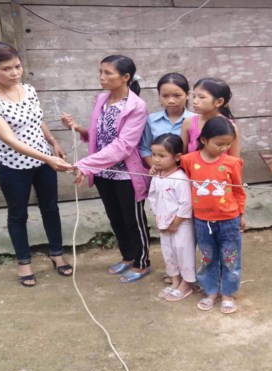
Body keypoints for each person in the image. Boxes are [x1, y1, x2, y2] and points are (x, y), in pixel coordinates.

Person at [0, 41, 73, 287]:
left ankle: (57, 253)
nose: (15, 73)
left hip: (42, 159)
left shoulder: (28, 90)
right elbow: (9, 139)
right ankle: (24, 261)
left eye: (17, 66)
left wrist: (52, 142)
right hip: (12, 166)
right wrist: (48, 158)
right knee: (18, 214)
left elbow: (37, 120)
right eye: (6, 69)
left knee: (50, 207)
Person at [61, 55, 152, 283]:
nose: (102, 77)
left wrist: (84, 164)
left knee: (133, 220)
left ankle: (142, 263)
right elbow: (100, 135)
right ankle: (128, 257)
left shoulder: (137, 106)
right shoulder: (101, 99)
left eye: (108, 73)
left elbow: (123, 146)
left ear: (126, 77)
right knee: (116, 218)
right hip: (103, 173)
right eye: (100, 72)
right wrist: (79, 128)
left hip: (126, 175)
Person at [181, 116, 246, 314]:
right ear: (203, 140)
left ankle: (227, 293)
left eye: (228, 144)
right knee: (208, 257)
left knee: (230, 258)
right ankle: (210, 291)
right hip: (202, 220)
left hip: (229, 220)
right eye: (219, 144)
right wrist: (157, 167)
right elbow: (174, 173)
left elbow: (238, 191)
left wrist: (241, 214)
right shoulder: (188, 160)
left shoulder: (232, 163)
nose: (223, 148)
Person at [147, 134, 196, 301]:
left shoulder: (180, 178)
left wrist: (175, 222)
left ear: (177, 157)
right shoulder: (157, 176)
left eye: (162, 156)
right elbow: (152, 196)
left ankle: (186, 283)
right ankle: (175, 280)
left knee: (183, 251)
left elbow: (186, 203)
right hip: (163, 223)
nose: (156, 160)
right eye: (154, 155)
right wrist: (159, 217)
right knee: (168, 251)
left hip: (181, 224)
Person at [140, 72, 195, 172]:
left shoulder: (195, 120)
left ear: (187, 95)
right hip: (160, 175)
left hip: (189, 173)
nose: (171, 101)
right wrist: (155, 167)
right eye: (165, 96)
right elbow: (145, 148)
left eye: (177, 95)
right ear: (159, 96)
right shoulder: (151, 120)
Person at [181, 77, 240, 157]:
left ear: (219, 102)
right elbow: (182, 156)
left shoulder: (230, 127)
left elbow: (235, 161)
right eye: (194, 96)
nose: (195, 101)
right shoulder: (188, 123)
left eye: (201, 97)